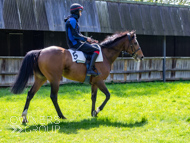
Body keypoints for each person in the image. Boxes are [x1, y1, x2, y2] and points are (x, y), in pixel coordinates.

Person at [64, 3, 100, 76]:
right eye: (80, 12)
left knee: (94, 46)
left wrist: (90, 40)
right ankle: (89, 70)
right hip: (75, 44)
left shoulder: (71, 19)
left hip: (75, 43)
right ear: (76, 12)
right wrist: (86, 39)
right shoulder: (72, 20)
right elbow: (76, 35)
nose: (81, 14)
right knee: (97, 50)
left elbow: (77, 34)